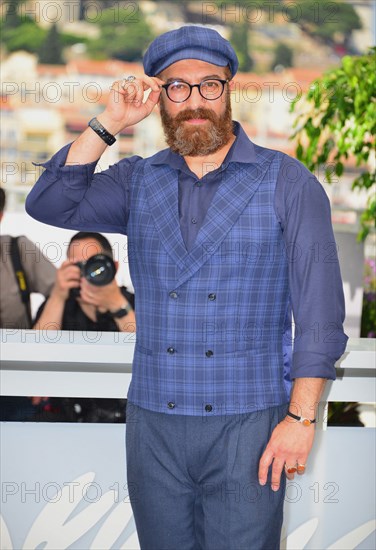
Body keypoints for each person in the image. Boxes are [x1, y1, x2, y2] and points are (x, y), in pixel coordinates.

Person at [26, 26, 348, 550]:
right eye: (177, 86)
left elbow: (319, 317)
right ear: (158, 97)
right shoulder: (136, 179)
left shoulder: (289, 182)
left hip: (250, 422)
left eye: (209, 85)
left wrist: (300, 417)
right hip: (154, 424)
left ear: (229, 90)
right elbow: (49, 204)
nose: (194, 101)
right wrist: (109, 123)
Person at [33, 231, 135, 333]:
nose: (86, 273)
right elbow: (37, 346)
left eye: (94, 265)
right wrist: (58, 296)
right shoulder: (60, 303)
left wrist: (117, 304)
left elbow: (146, 344)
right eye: (79, 265)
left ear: (114, 267)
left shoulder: (136, 302)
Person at [0, 187, 56, 328]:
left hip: (17, 349)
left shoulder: (18, 250)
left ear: (1, 216)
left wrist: (39, 331)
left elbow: (61, 290)